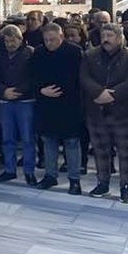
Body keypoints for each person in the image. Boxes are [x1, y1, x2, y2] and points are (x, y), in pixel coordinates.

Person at [80, 23, 128, 201]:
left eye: (110, 36)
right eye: (103, 36)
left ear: (119, 37)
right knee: (101, 150)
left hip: (124, 112)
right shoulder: (90, 55)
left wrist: (112, 95)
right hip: (96, 111)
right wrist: (98, 93)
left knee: (126, 153)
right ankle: (103, 183)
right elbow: (84, 77)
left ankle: (126, 186)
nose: (106, 39)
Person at [28, 23, 86, 193]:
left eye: (53, 40)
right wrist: (41, 90)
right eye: (46, 40)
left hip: (69, 104)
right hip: (46, 104)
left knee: (72, 142)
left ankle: (74, 179)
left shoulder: (74, 52)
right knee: (48, 141)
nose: (49, 43)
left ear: (61, 37)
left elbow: (79, 79)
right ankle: (50, 175)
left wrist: (63, 92)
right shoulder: (38, 53)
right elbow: (31, 76)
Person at [0, 24, 36, 185]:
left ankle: (29, 171)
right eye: (7, 41)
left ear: (20, 39)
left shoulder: (29, 54)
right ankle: (9, 169)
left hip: (25, 100)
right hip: (4, 101)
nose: (10, 44)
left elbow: (32, 77)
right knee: (7, 138)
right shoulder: (0, 55)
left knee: (27, 138)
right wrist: (3, 91)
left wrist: (19, 91)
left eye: (13, 41)